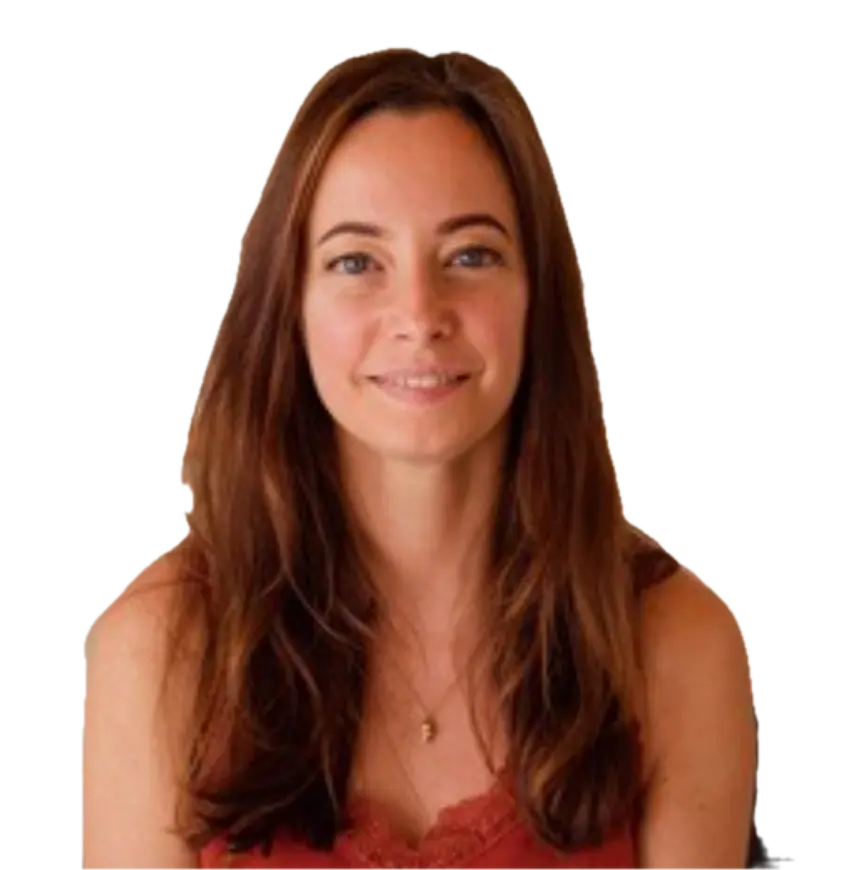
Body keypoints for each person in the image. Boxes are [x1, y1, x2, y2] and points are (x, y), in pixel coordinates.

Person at [81, 47, 759, 869]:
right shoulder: (161, 646)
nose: (419, 313)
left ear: (537, 295)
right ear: (288, 306)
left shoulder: (678, 645)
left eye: (471, 255)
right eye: (356, 262)